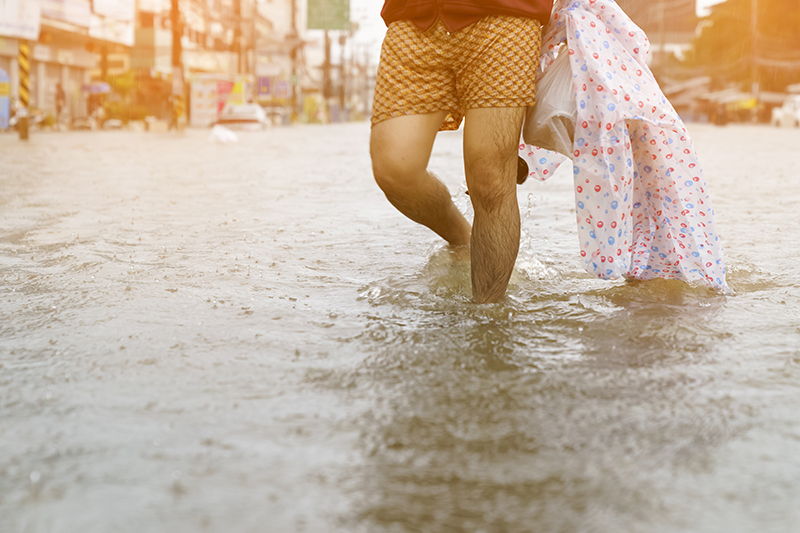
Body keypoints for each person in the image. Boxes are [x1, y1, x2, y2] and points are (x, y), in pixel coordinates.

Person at [370, 0, 554, 304]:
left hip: (506, 16)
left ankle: (488, 319)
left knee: (490, 179)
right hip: (413, 16)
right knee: (394, 169)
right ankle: (462, 239)